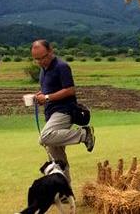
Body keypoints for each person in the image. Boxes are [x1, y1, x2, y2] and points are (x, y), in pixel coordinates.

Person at [31, 39, 94, 182]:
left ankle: (84, 134)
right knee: (57, 158)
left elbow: (70, 90)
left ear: (51, 51)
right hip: (50, 112)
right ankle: (65, 192)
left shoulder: (62, 66)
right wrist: (40, 95)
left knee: (45, 137)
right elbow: (49, 90)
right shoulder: (43, 70)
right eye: (37, 59)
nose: (41, 61)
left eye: (43, 57)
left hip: (64, 111)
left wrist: (46, 97)